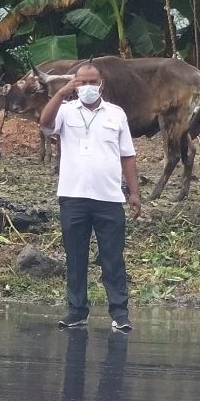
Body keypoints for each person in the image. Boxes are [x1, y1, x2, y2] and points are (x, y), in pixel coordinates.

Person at [39, 63, 141, 332]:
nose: (86, 87)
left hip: (109, 198)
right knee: (75, 256)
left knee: (112, 258)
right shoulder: (65, 110)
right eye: (81, 82)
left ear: (101, 84)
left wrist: (134, 192)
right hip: (73, 197)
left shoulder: (116, 115)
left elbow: (127, 155)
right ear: (75, 84)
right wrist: (61, 93)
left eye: (91, 82)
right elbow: (45, 124)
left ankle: (119, 313)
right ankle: (77, 310)